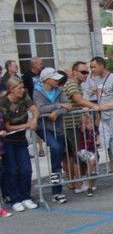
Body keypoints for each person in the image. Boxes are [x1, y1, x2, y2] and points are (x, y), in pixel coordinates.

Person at [33, 67, 72, 204]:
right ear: (46, 80)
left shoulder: (59, 90)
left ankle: (57, 192)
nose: (57, 80)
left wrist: (57, 111)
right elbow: (40, 108)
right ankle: (55, 186)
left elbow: (68, 105)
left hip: (58, 127)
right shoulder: (37, 91)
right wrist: (58, 105)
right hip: (44, 127)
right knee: (55, 147)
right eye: (54, 78)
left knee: (58, 157)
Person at [0, 77, 39, 212]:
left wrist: (34, 119)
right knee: (12, 171)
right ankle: (15, 199)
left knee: (26, 169)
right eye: (19, 88)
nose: (22, 90)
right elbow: (7, 126)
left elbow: (34, 109)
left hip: (21, 140)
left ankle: (26, 196)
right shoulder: (3, 102)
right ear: (11, 89)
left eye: (23, 88)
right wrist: (27, 125)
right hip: (8, 141)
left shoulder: (24, 96)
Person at [62, 61, 102, 192]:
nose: (86, 75)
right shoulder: (72, 84)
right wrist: (94, 106)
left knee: (77, 155)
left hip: (75, 124)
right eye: (83, 72)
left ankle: (80, 182)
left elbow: (78, 103)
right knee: (83, 154)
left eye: (87, 72)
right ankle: (82, 183)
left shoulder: (77, 84)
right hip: (70, 126)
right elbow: (79, 100)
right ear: (74, 72)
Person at [89, 56, 113, 156]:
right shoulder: (97, 79)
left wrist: (111, 105)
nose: (92, 70)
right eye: (91, 67)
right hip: (103, 117)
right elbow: (99, 98)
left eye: (94, 67)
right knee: (106, 143)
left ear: (101, 65)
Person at [76, 113, 99, 197]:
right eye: (88, 123)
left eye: (91, 123)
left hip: (92, 150)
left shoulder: (95, 128)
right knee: (92, 159)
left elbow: (97, 120)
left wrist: (98, 140)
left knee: (93, 164)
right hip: (82, 150)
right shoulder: (83, 130)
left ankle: (88, 183)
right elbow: (81, 125)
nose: (91, 125)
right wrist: (85, 114)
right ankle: (87, 182)